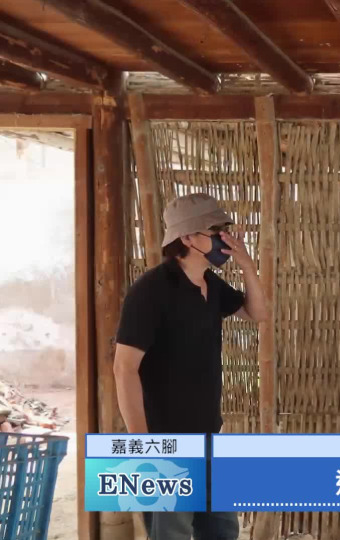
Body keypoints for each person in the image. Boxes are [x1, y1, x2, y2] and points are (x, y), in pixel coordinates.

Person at [113, 192, 268, 540]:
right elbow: (124, 369)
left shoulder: (210, 285)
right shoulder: (150, 291)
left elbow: (257, 313)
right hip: (164, 440)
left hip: (209, 434)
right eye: (216, 230)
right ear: (186, 238)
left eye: (226, 229)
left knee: (222, 530)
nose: (225, 238)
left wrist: (248, 266)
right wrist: (144, 445)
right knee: (172, 534)